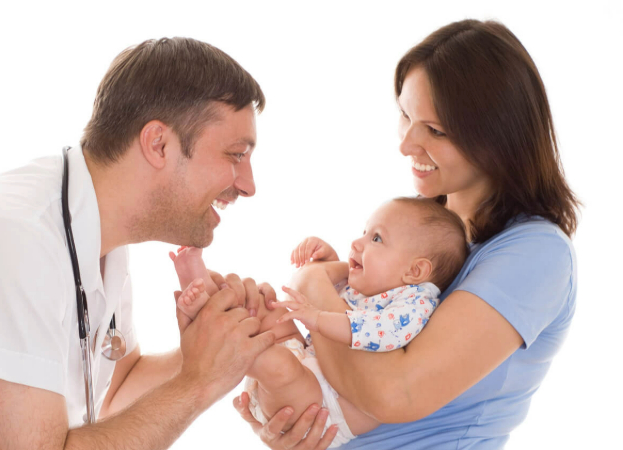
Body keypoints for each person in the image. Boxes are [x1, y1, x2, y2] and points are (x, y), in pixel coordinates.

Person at [0, 37, 279, 450]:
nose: (249, 184)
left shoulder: (99, 236)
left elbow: (116, 393)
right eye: (235, 155)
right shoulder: (12, 241)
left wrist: (216, 347)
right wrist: (198, 383)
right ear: (158, 144)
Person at [235, 19, 580, 449]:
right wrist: (286, 412)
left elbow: (393, 393)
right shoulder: (422, 228)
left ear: (498, 136)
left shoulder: (535, 254)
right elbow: (350, 363)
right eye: (405, 115)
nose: (406, 144)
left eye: (435, 130)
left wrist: (309, 281)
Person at [171, 197, 469, 447]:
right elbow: (340, 301)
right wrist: (330, 262)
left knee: (277, 364)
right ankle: (198, 280)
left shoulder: (416, 303)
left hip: (324, 407)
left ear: (416, 271)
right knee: (265, 309)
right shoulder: (379, 286)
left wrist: (317, 318)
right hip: (312, 365)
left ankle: (211, 329)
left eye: (376, 239)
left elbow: (370, 332)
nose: (358, 241)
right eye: (364, 232)